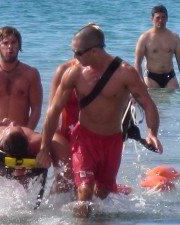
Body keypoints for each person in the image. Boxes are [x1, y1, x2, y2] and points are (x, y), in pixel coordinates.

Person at [36, 23, 163, 218]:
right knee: (85, 190)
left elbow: (148, 103)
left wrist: (152, 132)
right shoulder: (74, 73)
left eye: (78, 53)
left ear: (94, 50)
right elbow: (53, 111)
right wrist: (44, 148)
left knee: (102, 194)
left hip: (112, 142)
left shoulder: (125, 73)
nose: (75, 57)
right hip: (84, 140)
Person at [0, 118, 73, 193]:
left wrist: (44, 156)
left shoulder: (35, 142)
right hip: (0, 142)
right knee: (0, 171)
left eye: (15, 126)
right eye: (9, 127)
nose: (13, 122)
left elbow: (47, 161)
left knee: (22, 178)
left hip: (24, 149)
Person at [0, 26, 43, 129]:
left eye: (14, 42)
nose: (10, 47)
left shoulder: (31, 74)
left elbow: (36, 109)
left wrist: (27, 135)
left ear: (19, 46)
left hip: (20, 133)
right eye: (5, 43)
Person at [135, 5, 180, 89]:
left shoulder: (174, 37)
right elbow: (137, 63)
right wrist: (140, 83)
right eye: (157, 18)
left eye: (163, 17)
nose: (161, 20)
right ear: (152, 19)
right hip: (151, 78)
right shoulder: (144, 38)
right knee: (152, 100)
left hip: (170, 77)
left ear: (167, 18)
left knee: (176, 100)